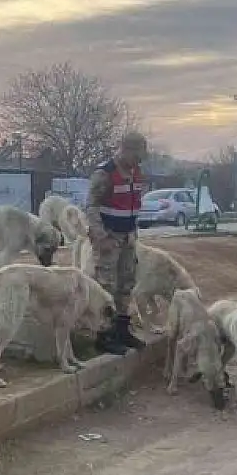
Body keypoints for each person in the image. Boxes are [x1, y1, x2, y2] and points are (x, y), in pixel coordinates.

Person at [86, 132, 149, 356]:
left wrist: (133, 233)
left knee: (126, 284)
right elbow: (91, 208)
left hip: (128, 236)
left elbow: (134, 206)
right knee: (106, 286)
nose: (138, 162)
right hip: (109, 237)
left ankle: (122, 330)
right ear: (125, 150)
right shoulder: (105, 174)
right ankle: (104, 334)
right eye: (136, 156)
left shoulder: (136, 173)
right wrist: (102, 237)